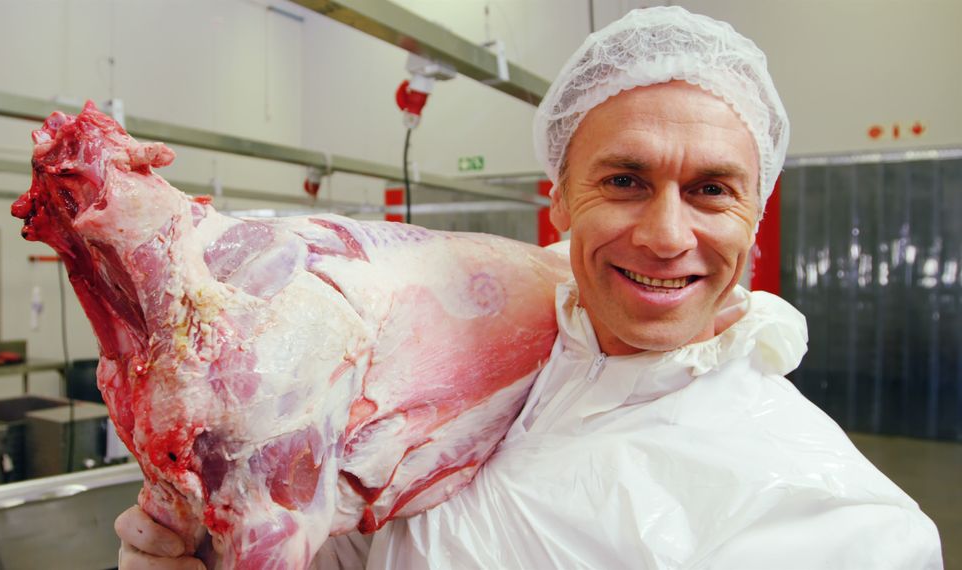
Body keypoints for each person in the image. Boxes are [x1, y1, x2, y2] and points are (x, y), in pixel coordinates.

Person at [116, 6, 944, 569]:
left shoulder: (834, 520)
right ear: (561, 201)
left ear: (754, 218)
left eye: (711, 190)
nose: (664, 234)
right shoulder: (478, 376)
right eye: (624, 180)